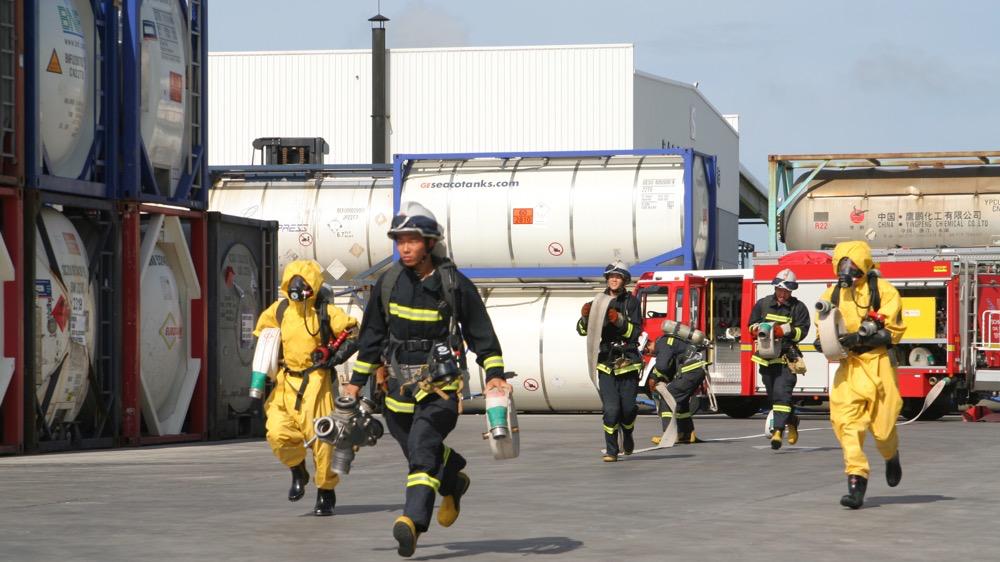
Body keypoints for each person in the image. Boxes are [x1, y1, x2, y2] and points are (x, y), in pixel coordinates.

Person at [342, 202, 509, 558]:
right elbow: (371, 336)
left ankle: (412, 523)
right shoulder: (387, 284)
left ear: (430, 243)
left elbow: (482, 334)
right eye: (400, 240)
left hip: (441, 389)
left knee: (421, 451)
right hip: (397, 392)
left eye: (412, 240)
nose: (405, 247)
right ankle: (454, 480)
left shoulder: (454, 285)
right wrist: (356, 382)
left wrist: (494, 374)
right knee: (423, 452)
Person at [251, 259, 359, 516]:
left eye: (304, 281)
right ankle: (297, 469)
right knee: (277, 432)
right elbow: (263, 334)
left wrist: (333, 356)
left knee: (323, 441)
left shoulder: (325, 312)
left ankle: (325, 491)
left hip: (317, 383)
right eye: (293, 281)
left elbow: (353, 332)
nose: (298, 286)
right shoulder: (280, 311)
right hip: (286, 382)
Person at [815, 241, 904, 509]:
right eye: (842, 263)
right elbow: (823, 331)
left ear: (864, 264)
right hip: (849, 368)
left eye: (852, 263)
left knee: (883, 429)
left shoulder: (884, 291)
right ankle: (856, 482)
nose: (847, 269)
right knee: (845, 424)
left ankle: (891, 456)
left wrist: (862, 337)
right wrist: (824, 342)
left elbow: (893, 332)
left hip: (879, 366)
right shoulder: (831, 295)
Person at [577, 260, 642, 461]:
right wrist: (586, 318)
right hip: (606, 362)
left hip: (628, 361)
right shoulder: (597, 301)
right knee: (611, 409)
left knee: (628, 409)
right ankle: (612, 450)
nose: (614, 280)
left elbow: (635, 333)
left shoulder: (631, 302)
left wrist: (619, 321)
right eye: (611, 277)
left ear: (624, 280)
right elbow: (581, 331)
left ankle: (628, 433)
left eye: (618, 277)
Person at [748, 268, 811, 449]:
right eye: (780, 290)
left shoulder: (798, 308)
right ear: (775, 288)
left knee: (782, 394)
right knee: (775, 397)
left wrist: (783, 330)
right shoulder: (763, 304)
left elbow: (802, 331)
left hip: (786, 359)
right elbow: (750, 325)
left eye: (786, 291)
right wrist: (757, 330)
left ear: (791, 291)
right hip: (766, 358)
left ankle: (777, 432)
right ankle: (793, 421)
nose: (782, 294)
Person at [646, 327, 709, 445]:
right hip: (695, 371)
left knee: (666, 399)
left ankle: (668, 436)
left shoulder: (662, 343)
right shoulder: (669, 341)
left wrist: (654, 377)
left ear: (648, 343)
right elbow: (670, 367)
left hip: (690, 372)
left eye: (646, 351)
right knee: (681, 401)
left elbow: (662, 366)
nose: (648, 354)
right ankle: (687, 434)